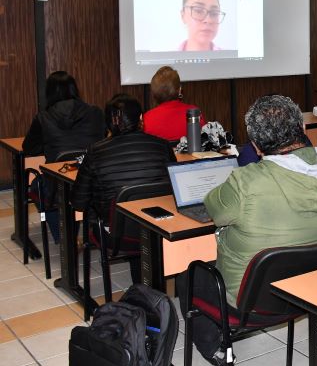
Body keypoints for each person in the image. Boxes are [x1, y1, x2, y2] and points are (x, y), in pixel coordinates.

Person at [184, 95, 317, 364]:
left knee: (190, 276)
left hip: (254, 301)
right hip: (316, 287)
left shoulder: (247, 181)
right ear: (302, 128)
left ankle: (217, 349)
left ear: (255, 146)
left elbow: (213, 209)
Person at [71, 94, 175, 263]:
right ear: (141, 118)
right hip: (160, 228)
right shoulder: (163, 146)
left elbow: (78, 202)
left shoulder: (95, 151)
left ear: (108, 123)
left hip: (118, 236)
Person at [23, 71, 106, 242]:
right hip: (92, 183)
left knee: (36, 186)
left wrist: (48, 144)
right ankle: (91, 230)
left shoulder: (43, 117)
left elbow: (29, 148)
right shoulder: (95, 112)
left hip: (58, 186)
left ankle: (64, 238)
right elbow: (102, 139)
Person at [143, 66, 206, 141]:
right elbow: (204, 140)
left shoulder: (146, 120)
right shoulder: (194, 114)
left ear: (153, 93)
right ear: (179, 90)